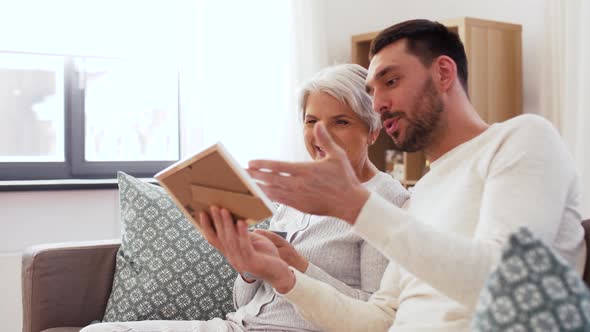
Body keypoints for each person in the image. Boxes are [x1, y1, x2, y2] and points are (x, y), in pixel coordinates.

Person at [237, 19, 585, 331]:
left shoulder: (522, 138)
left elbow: (506, 281)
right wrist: (281, 277)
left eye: (391, 81)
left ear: (444, 74)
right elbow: (378, 320)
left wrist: (356, 206)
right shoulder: (423, 192)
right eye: (372, 92)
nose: (377, 105)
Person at [81, 64, 409, 332]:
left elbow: (375, 317)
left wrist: (296, 265)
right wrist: (248, 269)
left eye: (340, 122)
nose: (320, 134)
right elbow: (244, 304)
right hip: (239, 325)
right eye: (311, 121)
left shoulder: (386, 203)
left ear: (372, 131)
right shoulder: (295, 197)